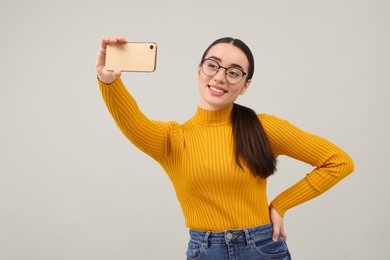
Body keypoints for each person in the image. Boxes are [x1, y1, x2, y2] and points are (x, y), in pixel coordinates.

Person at [96, 36, 354, 260]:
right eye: (213, 65)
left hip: (262, 249)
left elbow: (339, 162)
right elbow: (130, 119)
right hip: (206, 251)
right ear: (199, 70)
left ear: (245, 85)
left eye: (233, 72)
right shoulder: (171, 139)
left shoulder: (263, 128)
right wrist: (108, 81)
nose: (220, 76)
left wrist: (280, 205)